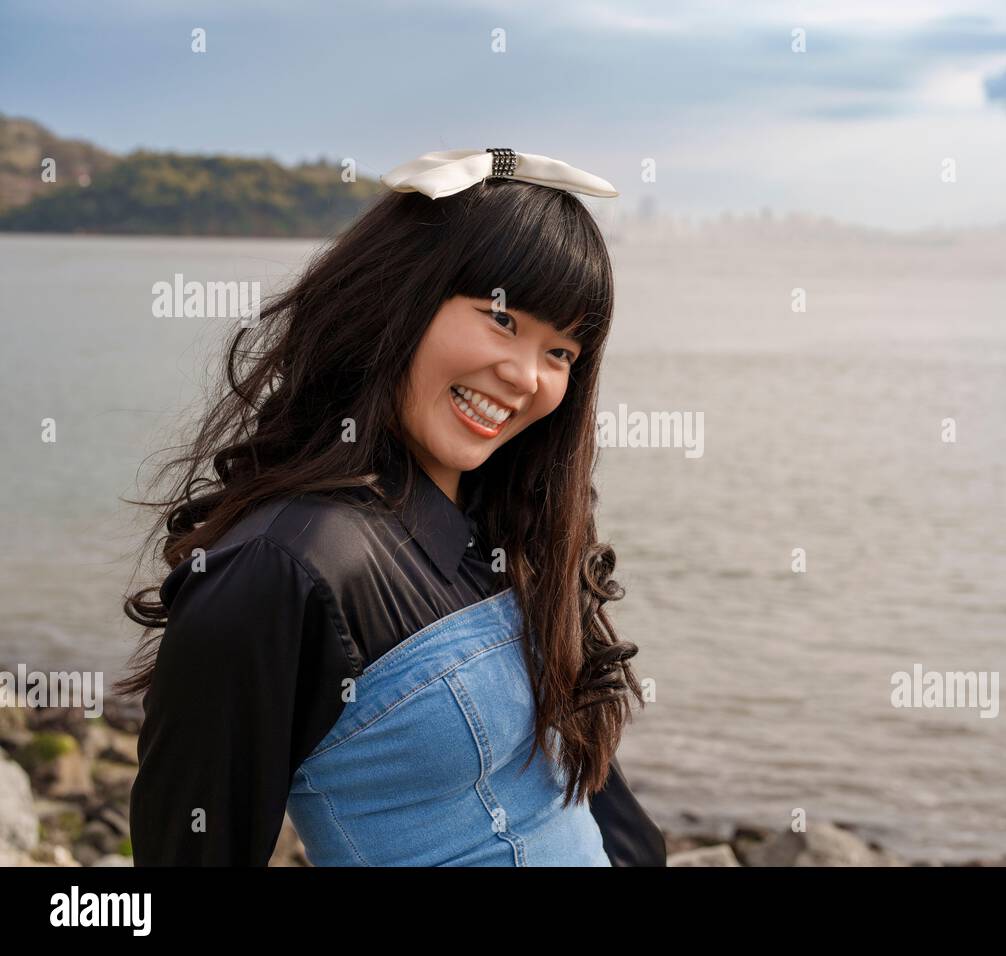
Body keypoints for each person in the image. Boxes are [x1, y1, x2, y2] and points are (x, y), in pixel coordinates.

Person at [119, 149, 665, 866]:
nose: (526, 376)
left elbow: (589, 796)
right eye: (501, 318)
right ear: (399, 296)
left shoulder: (516, 526)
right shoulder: (284, 568)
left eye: (560, 352)